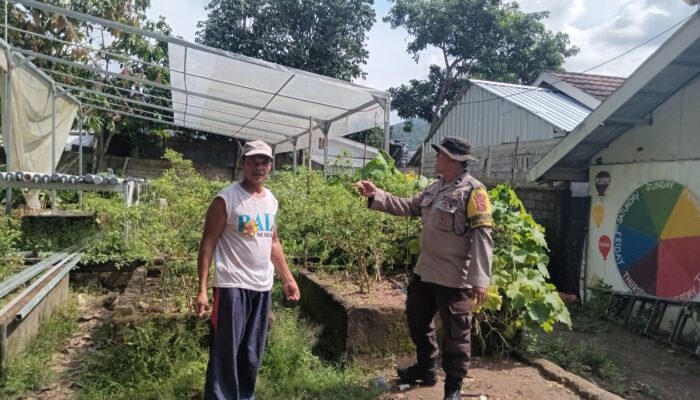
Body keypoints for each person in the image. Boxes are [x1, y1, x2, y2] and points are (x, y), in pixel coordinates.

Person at [356, 136, 493, 400]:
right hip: (426, 270)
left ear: (453, 160)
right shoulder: (435, 187)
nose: (436, 158)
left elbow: (483, 237)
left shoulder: (474, 192)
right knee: (417, 320)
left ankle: (453, 387)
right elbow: (409, 206)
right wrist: (378, 195)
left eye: (440, 155)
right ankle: (426, 367)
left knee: (456, 335)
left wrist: (480, 279)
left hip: (455, 277)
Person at [196, 139, 300, 400]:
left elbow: (273, 242)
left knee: (252, 350)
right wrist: (202, 290)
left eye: (264, 162)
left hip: (262, 287)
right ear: (242, 163)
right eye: (252, 161)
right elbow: (208, 243)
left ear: (270, 167)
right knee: (226, 350)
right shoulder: (226, 199)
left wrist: (288, 278)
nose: (258, 166)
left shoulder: (271, 201)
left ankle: (244, 396)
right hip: (232, 285)